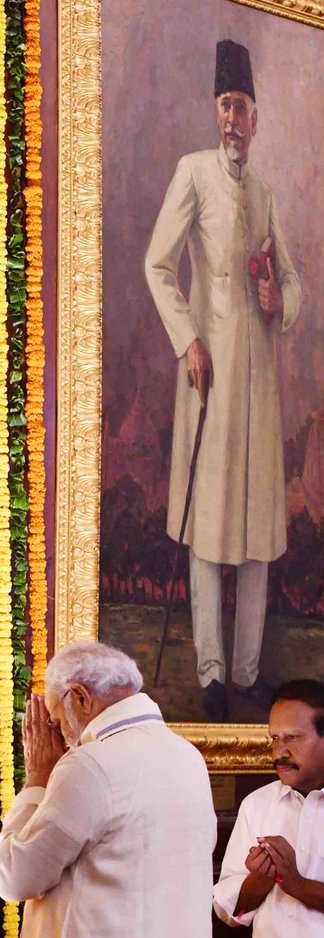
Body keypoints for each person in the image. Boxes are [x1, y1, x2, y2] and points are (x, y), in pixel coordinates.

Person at [144, 39, 301, 722]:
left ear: (258, 117)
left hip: (257, 387)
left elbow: (291, 282)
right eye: (225, 106)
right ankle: (210, 672)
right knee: (209, 530)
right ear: (217, 113)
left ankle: (246, 673)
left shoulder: (263, 193)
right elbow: (158, 264)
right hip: (209, 377)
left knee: (258, 532)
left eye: (242, 107)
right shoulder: (194, 173)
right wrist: (189, 341)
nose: (233, 119)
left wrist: (276, 299)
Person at [0, 641, 215, 938]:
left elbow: (16, 878)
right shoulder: (187, 756)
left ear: (79, 697)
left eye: (56, 721)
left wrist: (36, 780)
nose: (60, 735)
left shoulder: (90, 764)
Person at [213, 678, 324, 938]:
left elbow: (294, 884)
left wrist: (296, 883)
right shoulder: (257, 805)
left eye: (292, 738)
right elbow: (229, 910)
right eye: (274, 738)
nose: (279, 751)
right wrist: (257, 883)